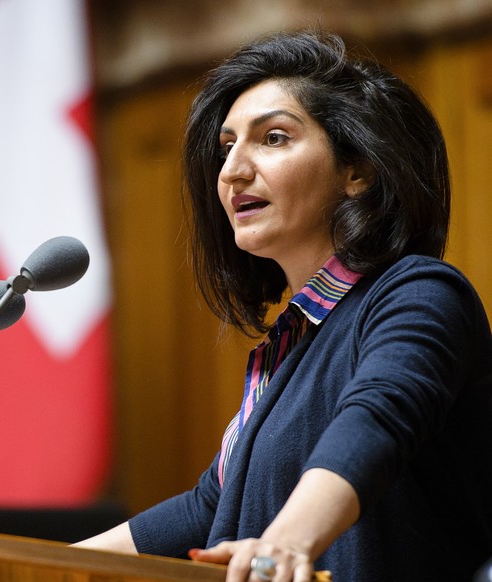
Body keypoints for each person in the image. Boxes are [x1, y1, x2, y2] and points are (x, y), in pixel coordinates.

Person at [74, 30, 492, 581]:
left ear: (357, 171)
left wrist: (286, 542)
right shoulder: (293, 344)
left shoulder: (418, 292)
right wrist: (19, 567)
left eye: (272, 138)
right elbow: (207, 509)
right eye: (227, 147)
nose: (232, 171)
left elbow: (378, 416)